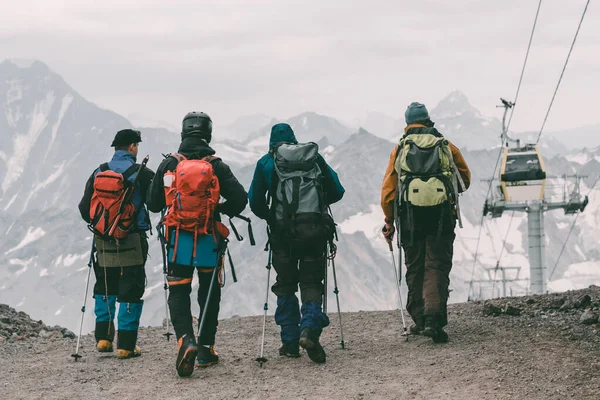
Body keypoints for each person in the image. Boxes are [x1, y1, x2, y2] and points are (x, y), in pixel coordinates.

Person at [147, 111, 247, 377]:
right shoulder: (216, 165)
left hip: (178, 239)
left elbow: (153, 203)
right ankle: (205, 348)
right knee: (209, 291)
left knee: (179, 290)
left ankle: (185, 340)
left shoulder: (170, 163)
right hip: (209, 237)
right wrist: (217, 208)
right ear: (208, 134)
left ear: (183, 134)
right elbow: (240, 199)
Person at [249, 123, 345, 363]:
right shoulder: (313, 158)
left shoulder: (266, 163)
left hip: (282, 236)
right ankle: (310, 328)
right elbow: (337, 191)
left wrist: (272, 217)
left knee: (286, 285)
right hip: (314, 233)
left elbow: (255, 201)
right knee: (312, 281)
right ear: (294, 139)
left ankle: (290, 343)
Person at [381, 102, 471, 343]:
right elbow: (465, 179)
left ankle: (420, 319)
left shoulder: (400, 148)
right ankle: (434, 320)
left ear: (408, 123)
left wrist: (389, 221)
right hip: (441, 215)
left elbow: (389, 191)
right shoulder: (445, 145)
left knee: (416, 264)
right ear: (428, 119)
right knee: (437, 264)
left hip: (409, 215)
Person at [78, 129, 155, 359]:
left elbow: (84, 209)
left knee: (104, 285)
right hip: (132, 239)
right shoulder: (141, 172)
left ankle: (103, 339)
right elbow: (156, 202)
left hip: (103, 242)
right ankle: (126, 345)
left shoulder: (99, 171)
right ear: (132, 147)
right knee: (131, 288)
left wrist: (105, 226)